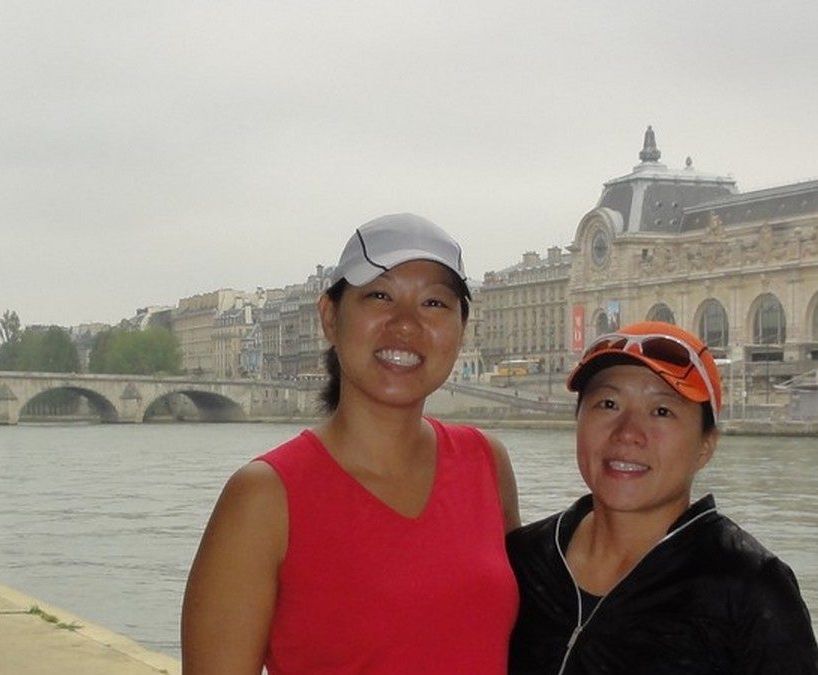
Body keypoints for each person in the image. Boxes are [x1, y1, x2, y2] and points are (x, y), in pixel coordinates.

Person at [183, 213, 520, 674]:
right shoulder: (263, 497)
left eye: (434, 304)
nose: (405, 324)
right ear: (329, 316)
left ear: (462, 330)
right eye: (379, 296)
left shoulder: (487, 462)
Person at [506, 321, 818, 674]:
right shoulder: (521, 560)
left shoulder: (748, 586)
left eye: (661, 412)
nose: (627, 433)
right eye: (608, 404)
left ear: (706, 446)